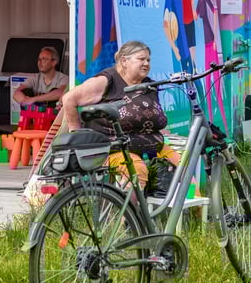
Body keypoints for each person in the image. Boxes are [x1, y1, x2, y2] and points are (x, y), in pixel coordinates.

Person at [60, 40, 181, 187]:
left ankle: (196, 209)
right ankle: (130, 210)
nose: (146, 63)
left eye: (148, 60)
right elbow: (69, 99)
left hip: (152, 147)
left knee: (183, 167)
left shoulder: (148, 85)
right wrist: (77, 135)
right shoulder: (107, 80)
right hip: (113, 149)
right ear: (124, 61)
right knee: (137, 171)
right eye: (141, 59)